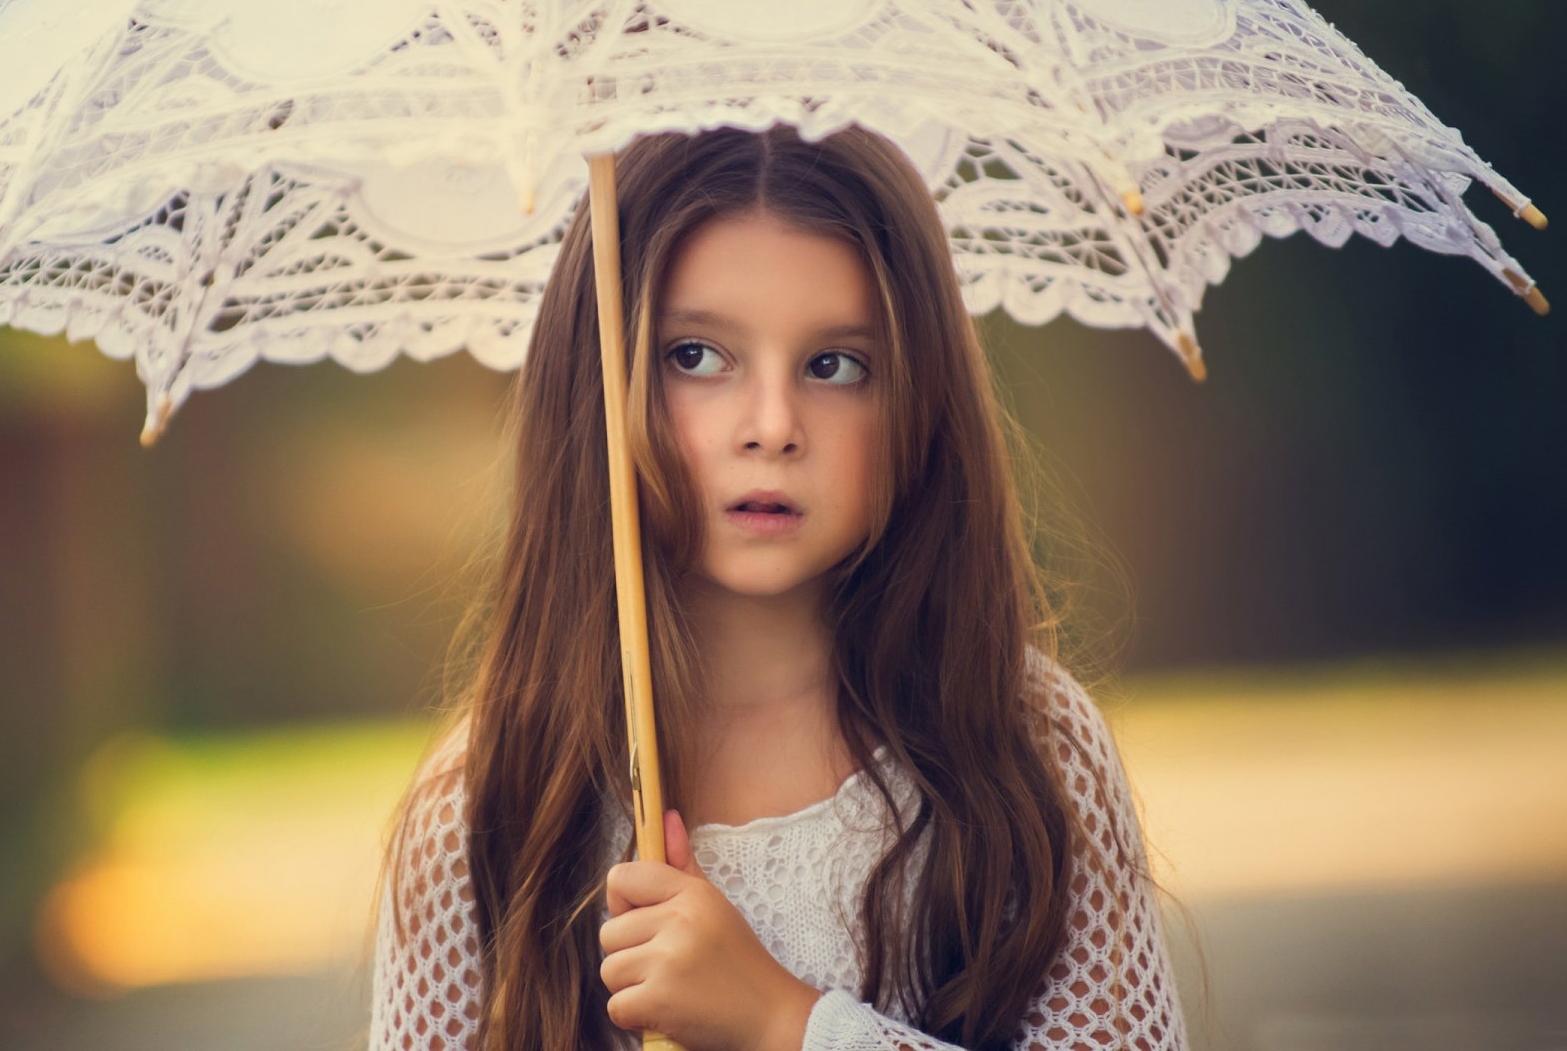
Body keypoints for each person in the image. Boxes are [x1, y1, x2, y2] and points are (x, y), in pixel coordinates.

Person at [366, 124, 1186, 1051]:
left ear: (921, 398)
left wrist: (783, 1022)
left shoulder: (1024, 744)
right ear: (595, 377)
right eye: (696, 357)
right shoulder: (488, 801)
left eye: (835, 365)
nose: (772, 425)